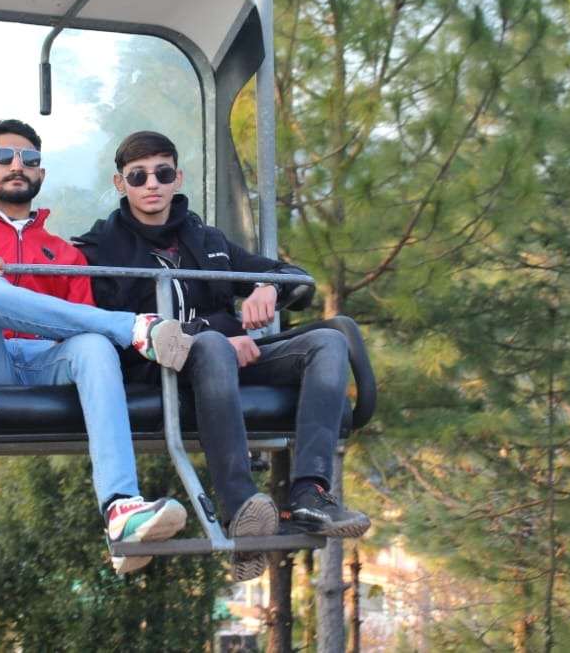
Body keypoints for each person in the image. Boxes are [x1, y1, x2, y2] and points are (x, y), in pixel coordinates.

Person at [0, 119, 194, 574]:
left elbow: (80, 327)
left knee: (94, 346)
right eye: (4, 157)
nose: (17, 166)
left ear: (41, 174)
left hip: (41, 366)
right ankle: (133, 328)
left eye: (29, 159)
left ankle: (121, 510)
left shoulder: (63, 254)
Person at [73, 130, 371, 582]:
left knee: (328, 342)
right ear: (121, 184)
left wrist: (268, 286)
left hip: (228, 361)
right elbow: (112, 325)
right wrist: (209, 334)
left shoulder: (206, 240)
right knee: (213, 346)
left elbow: (297, 279)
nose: (152, 184)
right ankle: (240, 506)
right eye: (138, 176)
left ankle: (310, 492)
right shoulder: (101, 250)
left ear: (177, 178)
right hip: (156, 369)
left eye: (162, 173)